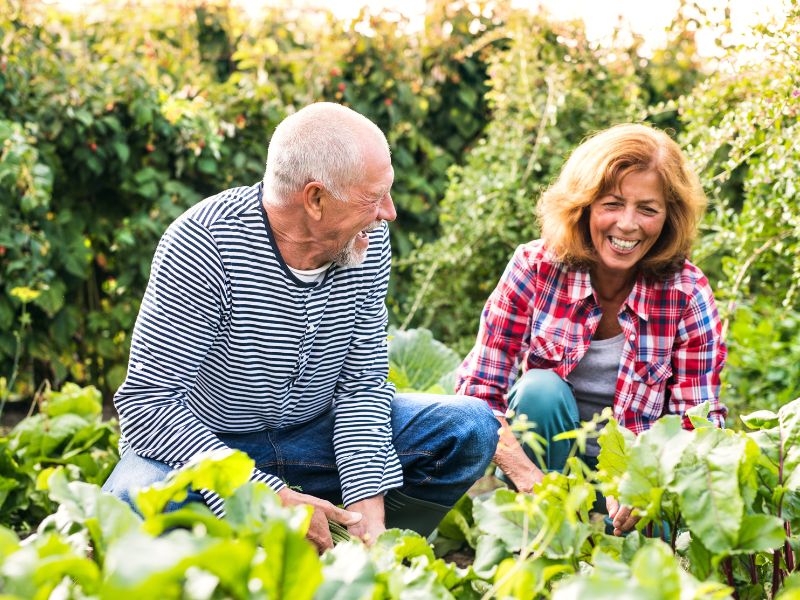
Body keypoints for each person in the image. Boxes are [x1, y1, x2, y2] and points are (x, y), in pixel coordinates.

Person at [102, 102, 498, 552]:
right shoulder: (205, 243)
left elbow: (361, 387)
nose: (388, 212)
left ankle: (351, 547)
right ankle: (259, 542)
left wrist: (369, 513)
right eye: (374, 197)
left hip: (315, 439)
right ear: (314, 199)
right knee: (130, 504)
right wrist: (265, 494)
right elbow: (148, 405)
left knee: (470, 428)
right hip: (212, 447)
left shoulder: (363, 239)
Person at [456, 123, 727, 536]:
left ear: (669, 217)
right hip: (545, 472)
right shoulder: (536, 268)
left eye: (648, 209)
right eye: (613, 203)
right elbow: (477, 394)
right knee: (540, 390)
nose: (628, 224)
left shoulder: (687, 293)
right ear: (584, 204)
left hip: (635, 485)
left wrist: (644, 483)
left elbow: (698, 423)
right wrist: (530, 480)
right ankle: (540, 536)